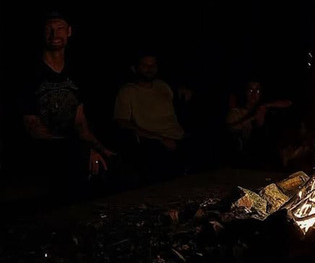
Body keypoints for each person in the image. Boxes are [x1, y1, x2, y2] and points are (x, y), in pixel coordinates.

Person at [19, 11, 115, 205]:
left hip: (73, 145)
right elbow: (34, 130)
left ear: (69, 32)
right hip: (43, 148)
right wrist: (80, 150)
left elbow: (80, 124)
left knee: (110, 163)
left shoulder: (75, 71)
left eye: (60, 29)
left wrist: (101, 149)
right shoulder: (29, 72)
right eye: (49, 30)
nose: (55, 35)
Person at [113, 51, 191, 183]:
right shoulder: (128, 91)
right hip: (153, 140)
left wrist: (182, 91)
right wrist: (160, 138)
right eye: (145, 66)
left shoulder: (163, 86)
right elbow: (122, 121)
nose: (150, 69)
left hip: (178, 136)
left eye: (153, 66)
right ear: (135, 68)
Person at [224, 79, 293, 167]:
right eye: (251, 90)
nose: (254, 94)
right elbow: (230, 130)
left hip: (261, 158)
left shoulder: (263, 109)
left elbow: (289, 103)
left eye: (257, 90)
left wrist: (266, 106)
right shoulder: (237, 112)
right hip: (240, 158)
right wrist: (252, 118)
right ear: (245, 92)